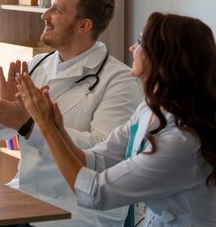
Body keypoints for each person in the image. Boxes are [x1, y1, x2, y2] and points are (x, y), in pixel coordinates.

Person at [16, 12, 216, 226]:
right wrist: (57, 130)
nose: (132, 48)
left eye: (140, 42)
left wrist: (46, 127)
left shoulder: (182, 141)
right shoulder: (150, 109)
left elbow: (96, 194)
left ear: (163, 57)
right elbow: (96, 160)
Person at [0, 0, 142, 227]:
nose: (45, 15)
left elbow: (101, 152)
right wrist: (5, 111)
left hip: (80, 209)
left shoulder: (120, 81)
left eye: (56, 10)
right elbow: (5, 133)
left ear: (84, 25)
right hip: (27, 194)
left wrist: (31, 124)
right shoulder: (36, 65)